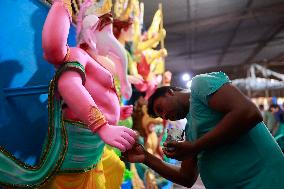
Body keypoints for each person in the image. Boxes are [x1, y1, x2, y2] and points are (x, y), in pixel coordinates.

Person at [122, 71, 284, 188]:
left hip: (263, 180)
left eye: (161, 108)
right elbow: (186, 177)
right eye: (161, 116)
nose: (165, 115)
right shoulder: (190, 130)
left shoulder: (200, 86)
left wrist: (195, 147)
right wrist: (146, 157)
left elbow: (248, 113)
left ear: (170, 92)